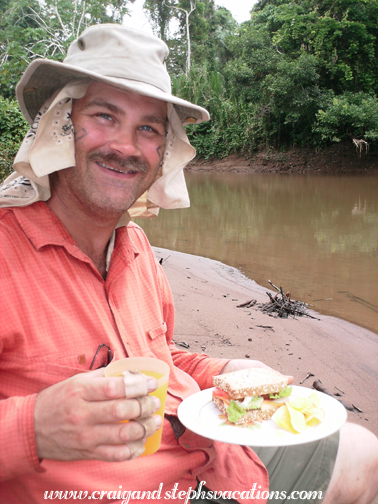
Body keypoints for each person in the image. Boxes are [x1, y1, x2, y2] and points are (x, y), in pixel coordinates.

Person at [0, 24, 377, 504]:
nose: (127, 146)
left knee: (365, 455)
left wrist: (227, 368)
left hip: (208, 466)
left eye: (148, 128)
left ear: (164, 150)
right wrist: (32, 427)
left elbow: (157, 355)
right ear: (60, 123)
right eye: (104, 116)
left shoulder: (135, 245)